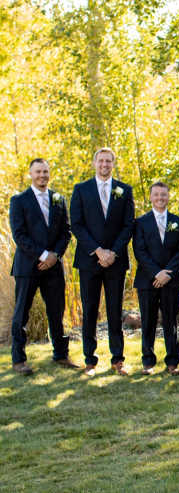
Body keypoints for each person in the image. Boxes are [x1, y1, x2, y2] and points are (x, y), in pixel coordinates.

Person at [9, 158, 78, 375]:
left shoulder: (59, 199)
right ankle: (19, 360)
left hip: (53, 267)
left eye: (45, 172)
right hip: (27, 266)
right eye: (38, 172)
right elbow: (19, 234)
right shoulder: (19, 200)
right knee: (21, 313)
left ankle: (61, 354)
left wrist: (54, 255)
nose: (42, 175)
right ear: (31, 174)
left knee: (57, 311)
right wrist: (43, 255)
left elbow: (66, 232)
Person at [70, 148, 135, 376]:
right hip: (89, 260)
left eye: (108, 161)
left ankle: (118, 359)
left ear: (113, 164)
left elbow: (128, 225)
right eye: (101, 160)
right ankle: (90, 360)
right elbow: (76, 224)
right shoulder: (81, 189)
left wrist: (113, 252)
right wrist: (98, 251)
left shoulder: (124, 190)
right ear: (94, 163)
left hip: (115, 261)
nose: (105, 164)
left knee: (115, 310)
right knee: (90, 310)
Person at [132, 182, 179, 375]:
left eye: (163, 194)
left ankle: (172, 361)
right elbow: (139, 250)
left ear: (168, 196)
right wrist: (156, 273)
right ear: (150, 197)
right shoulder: (140, 222)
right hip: (147, 279)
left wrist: (167, 273)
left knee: (170, 321)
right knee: (148, 321)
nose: (160, 198)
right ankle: (148, 362)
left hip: (171, 280)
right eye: (156, 194)